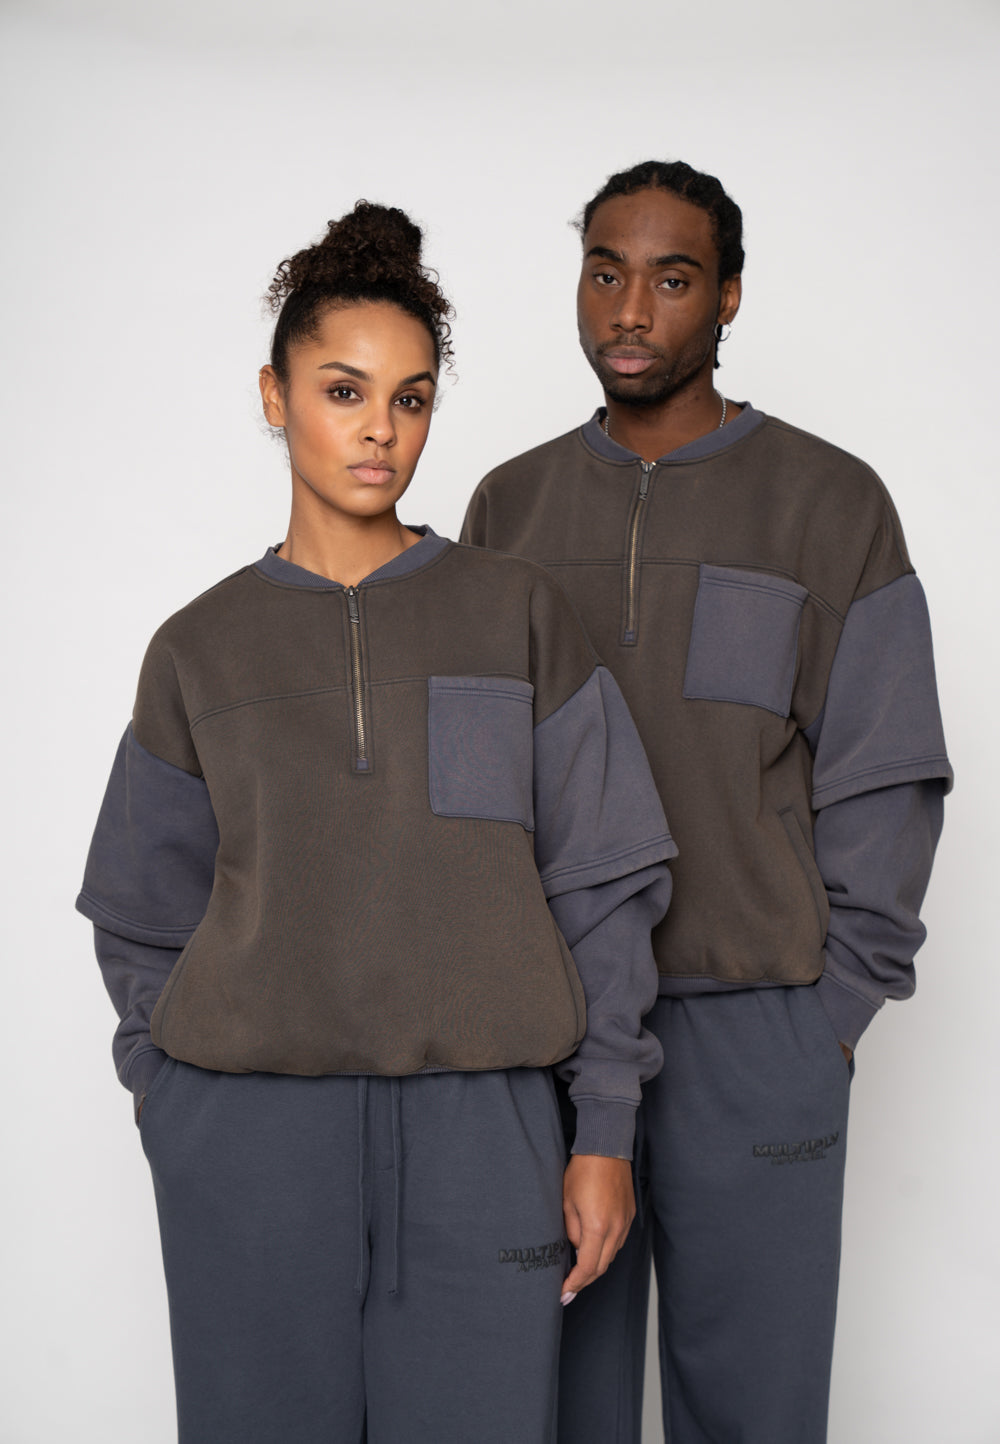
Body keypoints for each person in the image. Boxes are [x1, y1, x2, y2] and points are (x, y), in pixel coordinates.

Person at [75, 200, 677, 1444]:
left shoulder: (514, 613)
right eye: (343, 392)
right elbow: (140, 909)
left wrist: (604, 1128)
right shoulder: (198, 648)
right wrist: (170, 1098)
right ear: (274, 394)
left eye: (409, 399)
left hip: (485, 1129)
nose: (378, 430)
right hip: (252, 1136)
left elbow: (604, 882)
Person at [461, 159, 952, 1444]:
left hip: (757, 1036)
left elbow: (887, 772)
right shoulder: (507, 507)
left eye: (671, 279)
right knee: (548, 1405)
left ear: (728, 297)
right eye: (605, 273)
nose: (630, 309)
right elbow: (473, 792)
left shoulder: (831, 503)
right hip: (553, 1043)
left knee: (756, 1414)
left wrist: (824, 1020)